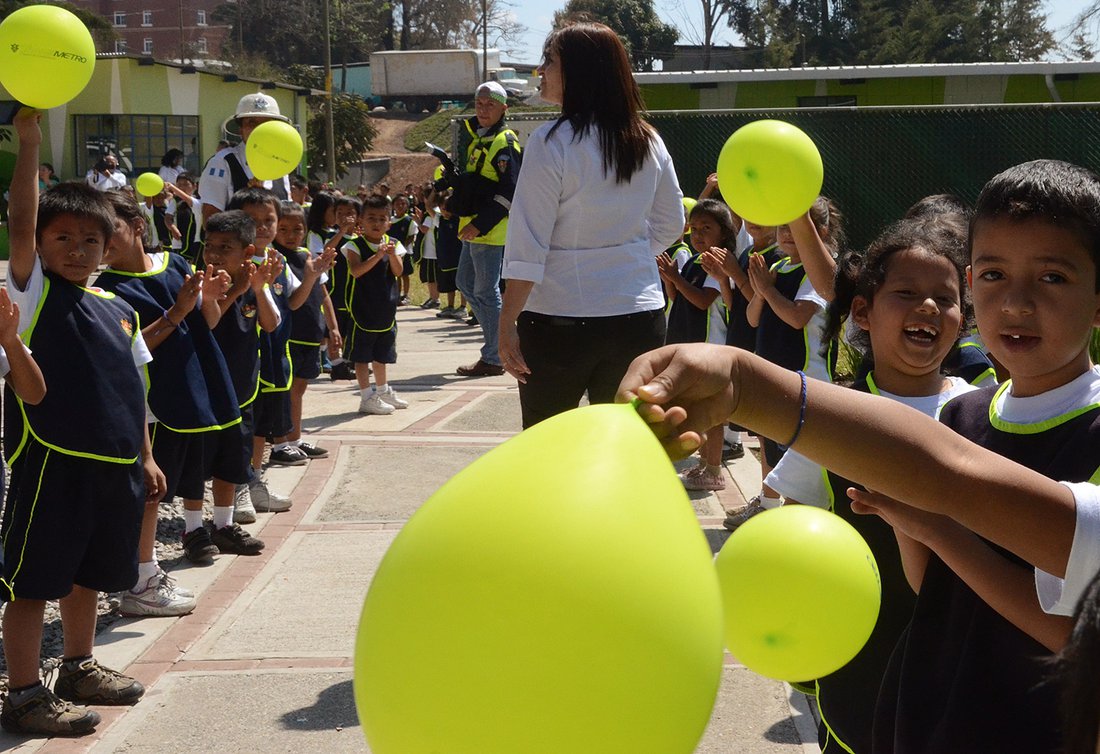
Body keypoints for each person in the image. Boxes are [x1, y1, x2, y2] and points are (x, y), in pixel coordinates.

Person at [621, 158, 1100, 753]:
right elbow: (933, 588)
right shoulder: (964, 416)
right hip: (928, 721)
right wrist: (916, 526)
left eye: (1052, 277)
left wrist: (935, 522)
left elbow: (1073, 634)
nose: (1017, 302)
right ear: (974, 283)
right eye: (995, 274)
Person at [765, 217, 976, 753]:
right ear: (862, 311)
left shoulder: (981, 411)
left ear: (963, 319)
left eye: (945, 298)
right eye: (906, 293)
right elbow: (795, 526)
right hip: (863, 658)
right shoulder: (835, 417)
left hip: (960, 653)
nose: (927, 307)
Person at [2, 108, 156, 737]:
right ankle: (22, 693)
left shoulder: (119, 308)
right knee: (35, 581)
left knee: (89, 575)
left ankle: (78, 667)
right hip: (52, 461)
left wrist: (146, 454)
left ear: (108, 246)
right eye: (61, 238)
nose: (76, 249)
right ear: (40, 245)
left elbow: (135, 389)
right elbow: (20, 219)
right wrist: (30, 142)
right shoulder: (32, 293)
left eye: (90, 240)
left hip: (114, 464)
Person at [497, 22, 684, 428]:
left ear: (579, 71)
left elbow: (528, 242)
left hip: (557, 320)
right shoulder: (648, 139)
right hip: (638, 316)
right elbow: (672, 224)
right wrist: (626, 255)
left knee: (548, 443)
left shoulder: (551, 141)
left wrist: (506, 322)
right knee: (624, 441)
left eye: (549, 61)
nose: (540, 70)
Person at [96, 190, 236, 617]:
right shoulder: (107, 289)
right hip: (153, 402)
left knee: (163, 490)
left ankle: (144, 573)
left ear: (138, 226)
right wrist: (176, 311)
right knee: (148, 493)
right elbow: (129, 349)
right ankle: (142, 578)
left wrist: (211, 298)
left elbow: (206, 322)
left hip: (190, 390)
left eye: (110, 228)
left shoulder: (176, 264)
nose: (102, 240)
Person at [732, 197, 842, 526]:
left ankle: (801, 517)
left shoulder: (819, 273)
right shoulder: (777, 268)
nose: (787, 235)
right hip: (775, 372)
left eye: (795, 228)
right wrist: (760, 291)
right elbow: (753, 318)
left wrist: (768, 290)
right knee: (769, 439)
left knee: (802, 454)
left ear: (820, 231)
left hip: (808, 379)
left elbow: (797, 317)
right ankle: (767, 502)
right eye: (783, 228)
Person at [198, 209, 283, 556]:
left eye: (225, 247)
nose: (214, 254)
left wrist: (258, 289)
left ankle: (222, 524)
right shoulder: (201, 283)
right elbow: (209, 323)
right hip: (206, 391)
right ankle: (193, 528)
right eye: (209, 246)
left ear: (247, 252)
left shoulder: (253, 282)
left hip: (242, 390)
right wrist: (234, 291)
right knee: (199, 462)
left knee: (232, 460)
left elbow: (271, 323)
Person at [658, 199, 733, 491]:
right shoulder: (693, 260)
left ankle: (714, 470)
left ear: (723, 232)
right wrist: (670, 280)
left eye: (706, 228)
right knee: (697, 410)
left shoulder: (717, 264)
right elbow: (678, 298)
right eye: (695, 228)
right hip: (690, 343)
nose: (698, 234)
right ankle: (703, 464)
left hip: (709, 347)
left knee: (711, 413)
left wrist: (676, 278)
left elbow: (703, 301)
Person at [454, 80, 522, 378]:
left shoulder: (504, 141)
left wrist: (479, 224)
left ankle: (495, 355)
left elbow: (509, 192)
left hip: (489, 231)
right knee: (466, 283)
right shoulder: (478, 137)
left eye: (490, 104)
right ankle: (499, 342)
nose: (483, 109)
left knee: (484, 290)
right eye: (479, 103)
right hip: (471, 228)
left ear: (503, 108)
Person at [275, 200, 338, 458]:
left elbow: (323, 294)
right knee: (284, 390)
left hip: (311, 333)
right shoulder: (275, 258)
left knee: (299, 388)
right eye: (283, 229)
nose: (291, 235)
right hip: (289, 335)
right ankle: (280, 443)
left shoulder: (307, 256)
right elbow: (290, 301)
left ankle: (296, 438)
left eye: (297, 229)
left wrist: (333, 327)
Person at [343, 194, 408, 414]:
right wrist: (378, 255)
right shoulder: (354, 245)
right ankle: (366, 397)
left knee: (382, 356)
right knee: (362, 357)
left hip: (385, 311)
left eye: (382, 219)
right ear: (361, 220)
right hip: (362, 310)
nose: (377, 223)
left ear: (389, 222)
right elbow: (356, 271)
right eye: (371, 218)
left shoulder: (394, 244)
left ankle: (383, 391)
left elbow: (398, 271)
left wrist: (391, 255)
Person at [198, 93, 294, 222]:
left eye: (267, 123)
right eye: (252, 123)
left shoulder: (281, 164)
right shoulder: (222, 162)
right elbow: (210, 218)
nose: (259, 129)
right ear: (241, 129)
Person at [390, 193, 418, 305]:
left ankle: (405, 295)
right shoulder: (390, 220)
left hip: (404, 251)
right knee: (395, 275)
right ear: (393, 206)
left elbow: (411, 236)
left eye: (403, 203)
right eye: (397, 204)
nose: (400, 206)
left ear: (407, 206)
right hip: (391, 252)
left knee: (404, 274)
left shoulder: (409, 220)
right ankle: (396, 294)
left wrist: (401, 248)